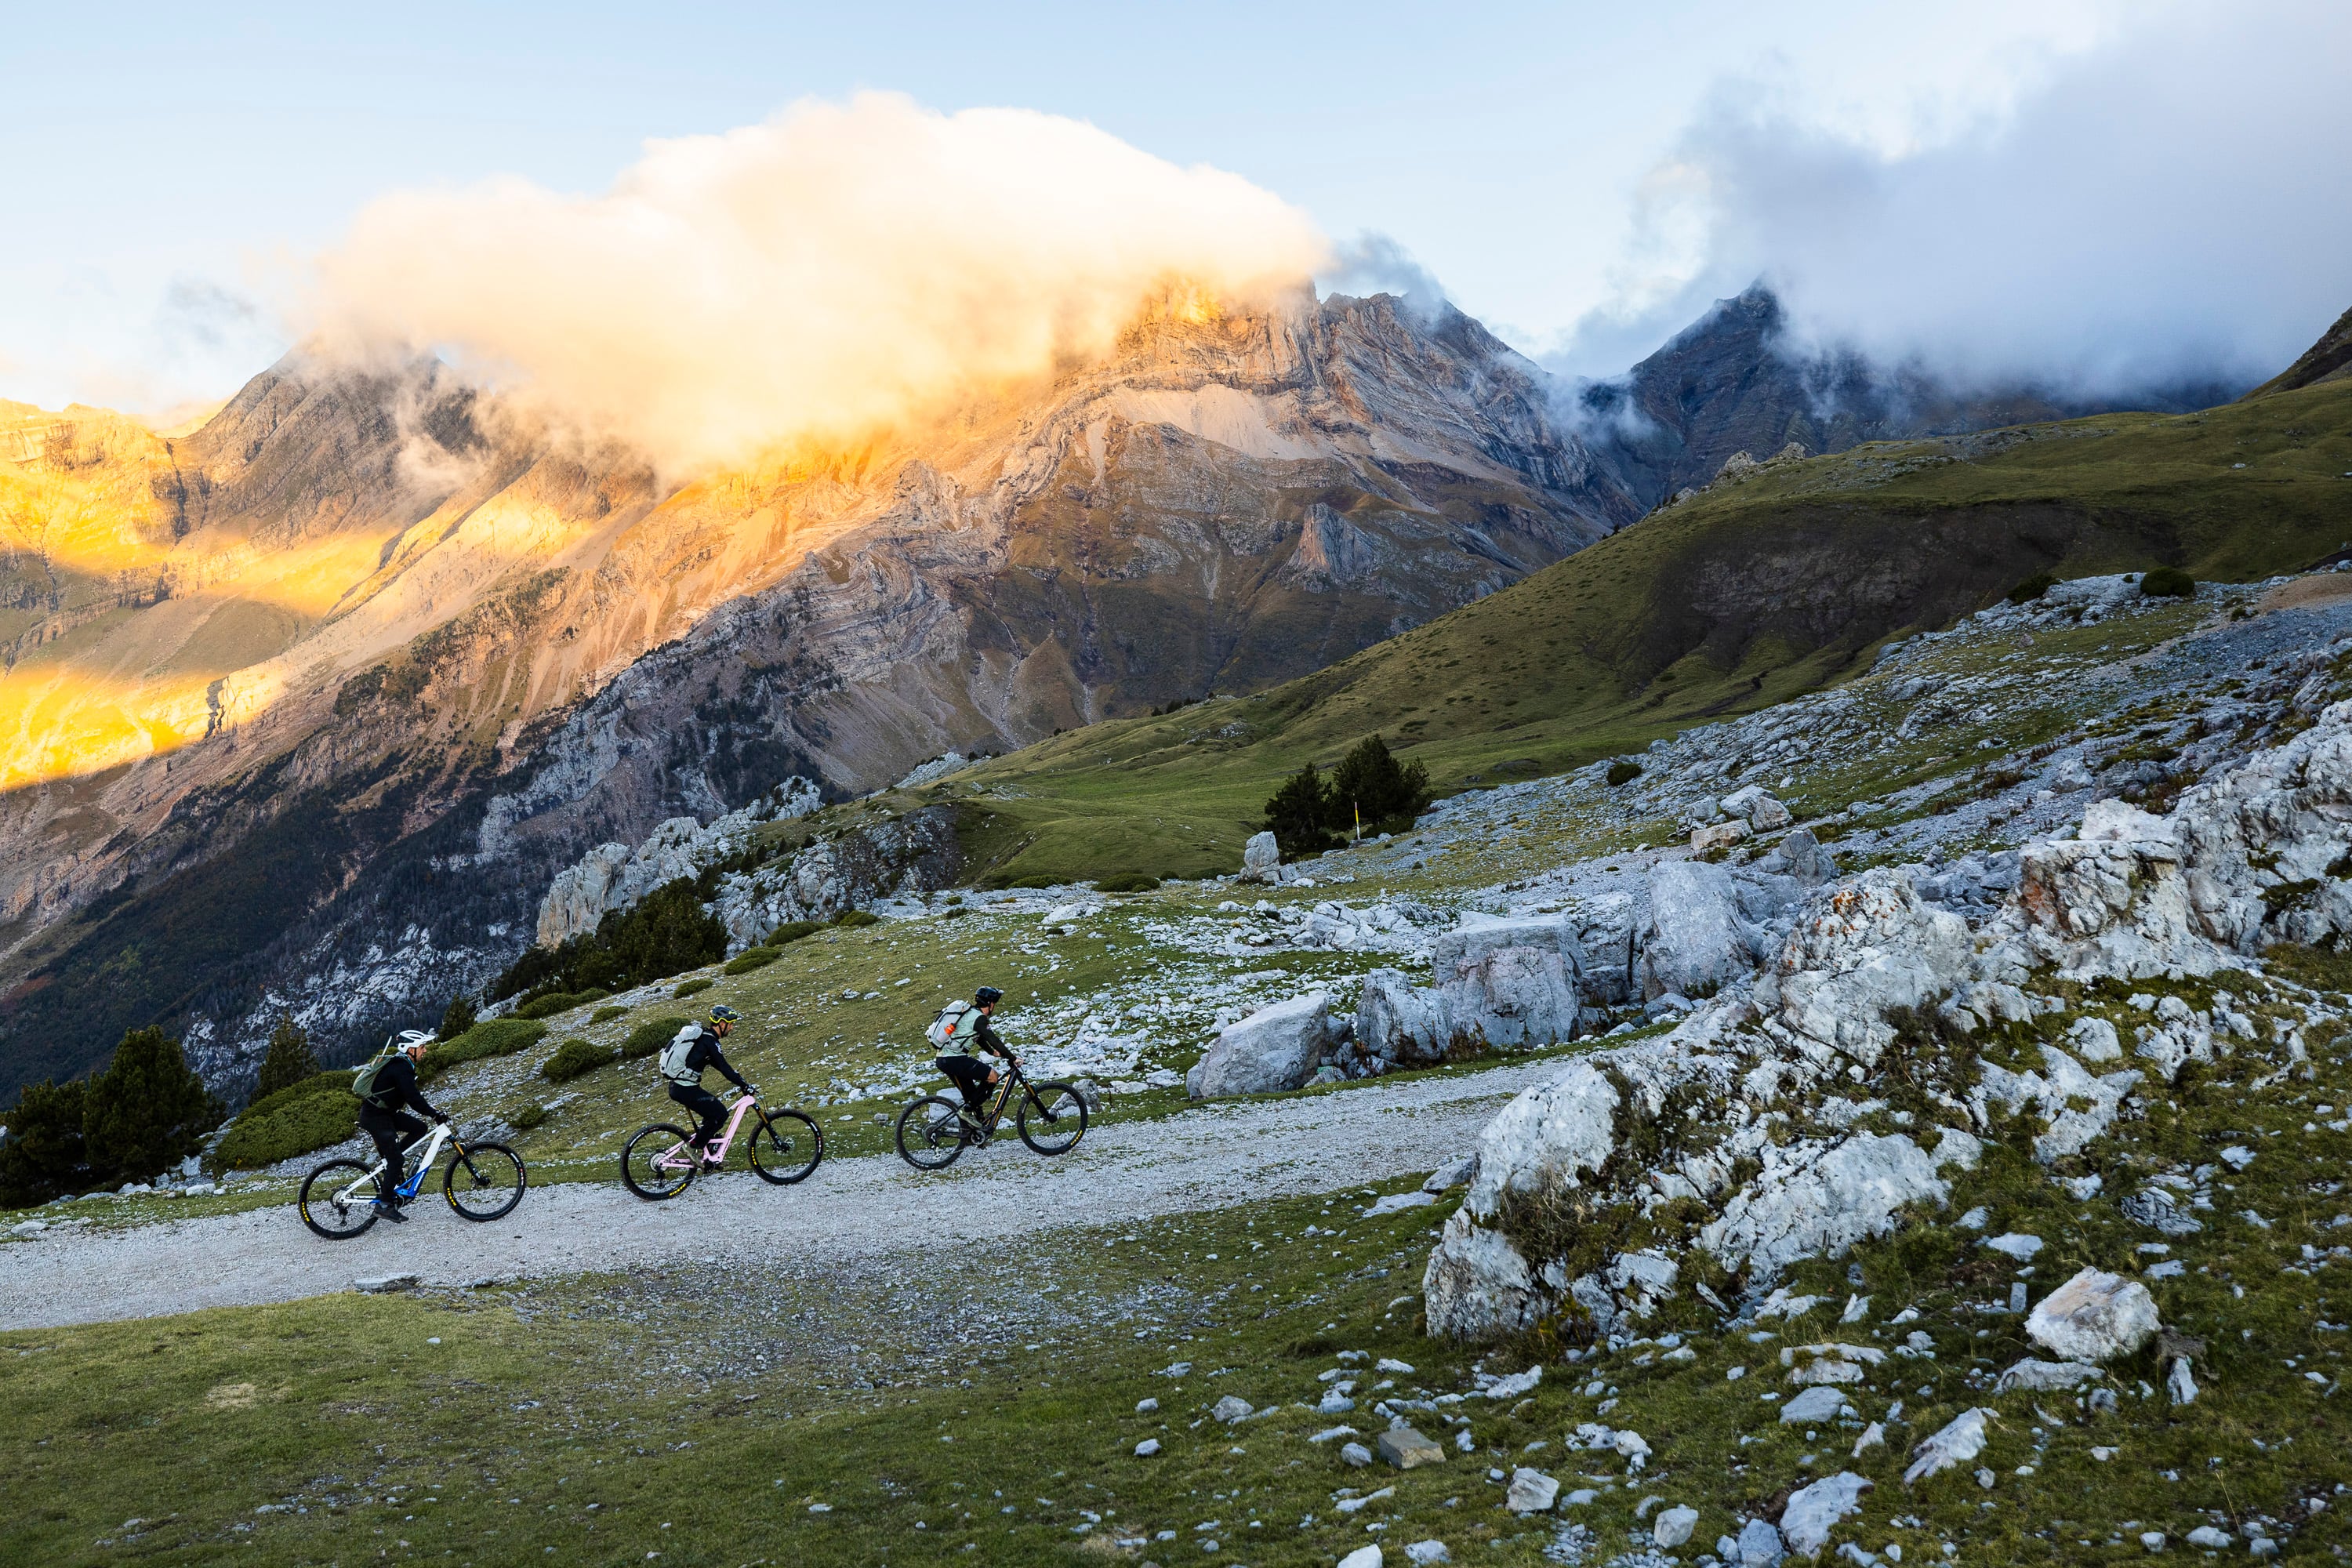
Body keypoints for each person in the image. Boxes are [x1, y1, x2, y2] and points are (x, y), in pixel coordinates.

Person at [357, 1029, 448, 1223]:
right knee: (397, 1160)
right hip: (375, 1117)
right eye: (422, 1047)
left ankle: (391, 1163)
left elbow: (412, 1098)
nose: (425, 1051)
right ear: (410, 1049)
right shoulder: (401, 1067)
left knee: (419, 1129)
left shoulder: (404, 1064)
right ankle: (384, 1205)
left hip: (385, 1114)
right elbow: (414, 1099)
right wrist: (434, 1114)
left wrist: (431, 1114)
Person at [659, 1004, 755, 1161]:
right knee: (720, 1114)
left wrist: (740, 1081)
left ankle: (707, 1151)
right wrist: (744, 1085)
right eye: (730, 1024)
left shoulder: (704, 1039)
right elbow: (724, 1067)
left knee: (712, 1112)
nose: (731, 1028)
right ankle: (691, 1148)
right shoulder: (710, 1042)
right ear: (721, 1023)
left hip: (680, 1087)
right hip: (685, 1088)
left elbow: (721, 1067)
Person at [935, 986, 1014, 1133]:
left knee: (973, 1098)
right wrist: (1013, 1058)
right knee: (993, 1077)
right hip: (954, 1059)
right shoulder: (979, 1018)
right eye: (994, 1004)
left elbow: (978, 1038)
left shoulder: (970, 1013)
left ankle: (974, 1135)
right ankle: (966, 1113)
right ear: (990, 1004)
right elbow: (993, 1039)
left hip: (944, 1059)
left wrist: (992, 1053)